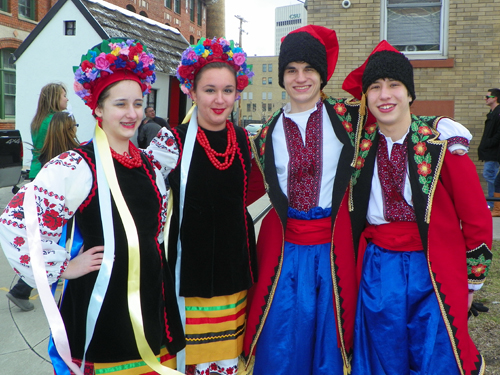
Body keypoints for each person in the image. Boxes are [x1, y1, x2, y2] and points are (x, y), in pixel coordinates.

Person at [243, 26, 472, 375]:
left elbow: (393, 113)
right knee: (281, 340)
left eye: (309, 69)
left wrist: (438, 123)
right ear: (281, 77)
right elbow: (243, 188)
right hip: (285, 252)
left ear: (322, 75)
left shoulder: (350, 117)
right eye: (291, 70)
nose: (300, 78)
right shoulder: (262, 137)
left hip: (337, 249)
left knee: (335, 342)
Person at [0, 38, 185, 375]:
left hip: (152, 299)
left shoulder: (148, 164)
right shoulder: (76, 166)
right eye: (120, 104)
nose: (131, 114)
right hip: (104, 305)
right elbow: (16, 219)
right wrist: (64, 267)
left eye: (138, 103)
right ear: (97, 109)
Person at [343, 41, 493, 375]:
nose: (385, 95)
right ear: (365, 97)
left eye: (394, 85)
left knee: (434, 355)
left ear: (409, 93)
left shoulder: (440, 144)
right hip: (377, 269)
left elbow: (476, 218)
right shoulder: (359, 146)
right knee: (382, 353)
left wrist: (471, 283)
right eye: (375, 87)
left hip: (433, 268)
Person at [146, 36, 256, 375]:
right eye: (209, 90)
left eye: (228, 90)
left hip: (234, 271)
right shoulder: (171, 140)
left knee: (227, 362)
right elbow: (140, 194)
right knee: (192, 363)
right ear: (191, 92)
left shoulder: (241, 139)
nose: (220, 99)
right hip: (190, 276)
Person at [6, 111, 79, 312]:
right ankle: (22, 289)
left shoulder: (47, 152)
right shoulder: (72, 156)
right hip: (61, 210)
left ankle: (23, 289)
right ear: (68, 129)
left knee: (47, 247)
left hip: (50, 209)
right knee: (55, 247)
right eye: (75, 125)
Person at [29, 82, 69, 179]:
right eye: (64, 96)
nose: (67, 99)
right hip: (50, 172)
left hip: (36, 169)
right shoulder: (56, 120)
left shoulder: (39, 120)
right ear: (54, 98)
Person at [478, 88, 500, 210]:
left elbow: (498, 134)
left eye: (487, 97)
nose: (485, 99)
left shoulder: (498, 113)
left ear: (495, 98)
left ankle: (493, 203)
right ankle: (493, 203)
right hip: (490, 151)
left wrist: (489, 143)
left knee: (489, 174)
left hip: (494, 152)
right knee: (490, 174)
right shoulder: (492, 113)